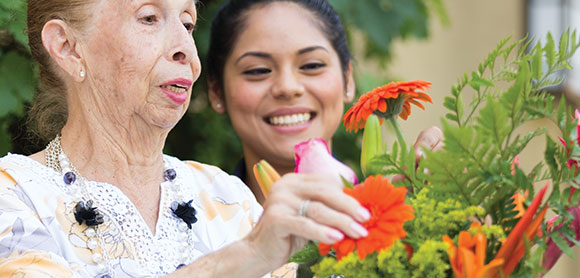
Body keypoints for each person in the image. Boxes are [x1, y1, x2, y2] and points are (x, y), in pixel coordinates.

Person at [0, 0, 372, 277]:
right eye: (149, 18)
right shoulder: (14, 194)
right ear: (67, 47)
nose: (187, 52)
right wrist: (242, 257)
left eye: (188, 24)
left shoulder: (228, 198)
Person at [206, 0, 443, 204]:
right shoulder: (189, 232)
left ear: (348, 80)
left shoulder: (404, 209)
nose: (288, 88)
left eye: (312, 65)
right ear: (216, 91)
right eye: (258, 70)